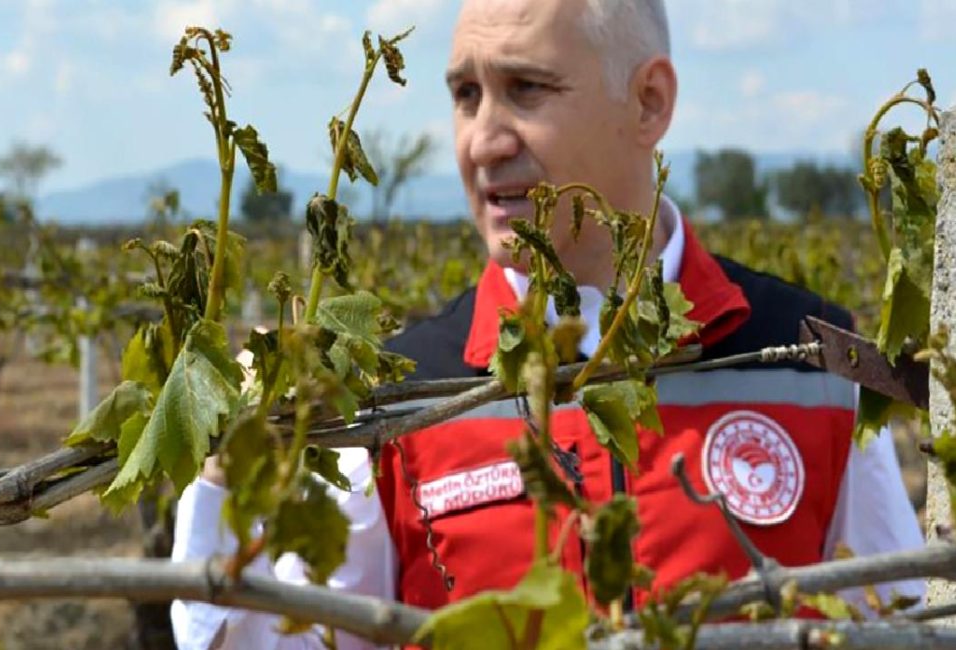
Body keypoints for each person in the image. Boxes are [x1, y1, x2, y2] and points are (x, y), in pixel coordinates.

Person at [171, 1, 925, 648]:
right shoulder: (395, 395)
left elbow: (897, 622)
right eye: (467, 95)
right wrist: (221, 489)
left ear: (649, 103)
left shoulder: (810, 354)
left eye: (526, 89)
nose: (481, 140)